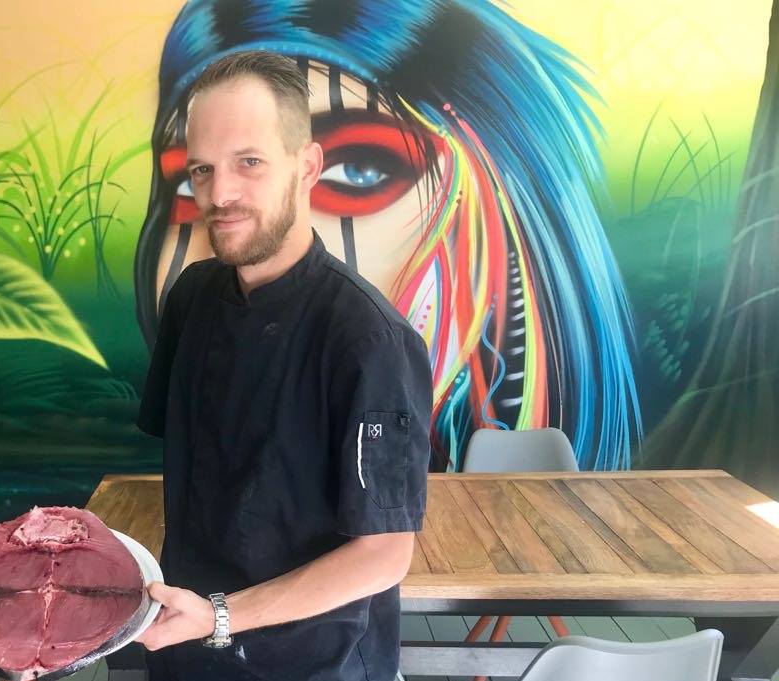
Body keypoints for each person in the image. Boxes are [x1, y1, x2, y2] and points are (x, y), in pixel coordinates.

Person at [134, 51, 433, 681]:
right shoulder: (191, 300)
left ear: (308, 165)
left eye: (249, 163)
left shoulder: (366, 340)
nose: (219, 192)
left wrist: (222, 616)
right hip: (188, 661)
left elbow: (385, 553)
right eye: (202, 169)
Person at [134, 0, 642, 472]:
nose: (221, 197)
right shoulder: (193, 302)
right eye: (192, 176)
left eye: (359, 167)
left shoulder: (368, 328)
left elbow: (381, 536)